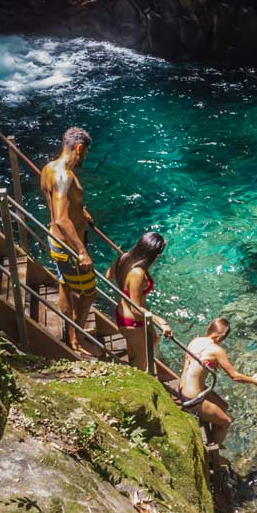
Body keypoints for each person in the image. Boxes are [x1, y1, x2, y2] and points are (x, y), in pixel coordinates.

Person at [40, 127, 96, 351]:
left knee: (65, 284)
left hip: (55, 240)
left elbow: (58, 205)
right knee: (88, 293)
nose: (85, 158)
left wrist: (80, 211)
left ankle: (70, 332)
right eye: (86, 153)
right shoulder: (65, 176)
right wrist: (82, 251)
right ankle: (77, 339)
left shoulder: (48, 169)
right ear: (79, 148)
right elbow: (62, 219)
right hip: (69, 248)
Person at [179, 317, 257, 446]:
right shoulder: (217, 351)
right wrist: (254, 380)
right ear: (221, 337)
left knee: (224, 406)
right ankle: (215, 454)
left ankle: (215, 437)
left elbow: (187, 365)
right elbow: (235, 376)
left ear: (209, 328)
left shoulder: (195, 340)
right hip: (192, 399)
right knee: (226, 422)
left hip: (182, 388)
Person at [106, 231, 173, 370]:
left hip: (125, 314)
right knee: (141, 359)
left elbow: (109, 275)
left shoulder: (124, 258)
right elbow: (135, 309)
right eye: (157, 253)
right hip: (133, 320)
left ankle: (132, 363)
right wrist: (161, 321)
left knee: (153, 340)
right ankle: (138, 383)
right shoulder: (137, 273)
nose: (159, 256)